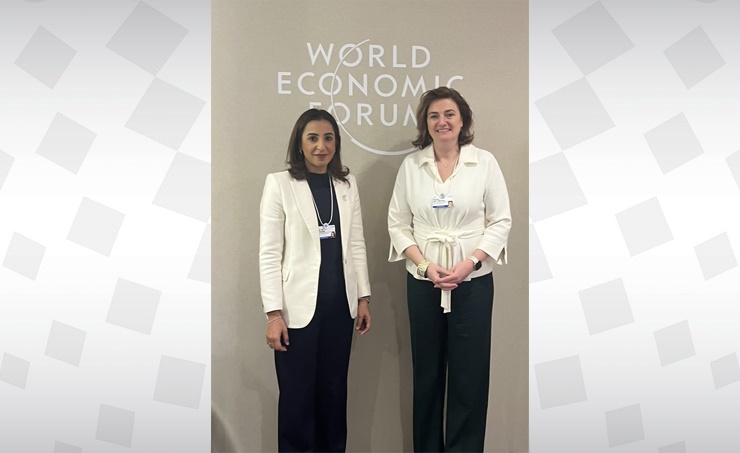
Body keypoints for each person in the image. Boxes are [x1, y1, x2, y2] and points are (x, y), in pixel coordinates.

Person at [387, 87, 511, 452]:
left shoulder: (484, 162)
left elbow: (501, 221)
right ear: (425, 124)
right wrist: (425, 266)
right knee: (426, 374)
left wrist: (470, 263)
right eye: (434, 116)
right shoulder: (412, 166)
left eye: (449, 114)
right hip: (423, 282)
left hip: (473, 282)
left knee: (469, 376)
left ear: (463, 120)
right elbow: (397, 224)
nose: (442, 122)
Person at [259, 108, 372, 452]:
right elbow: (269, 253)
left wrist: (363, 297)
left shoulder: (346, 185)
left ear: (336, 144)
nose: (321, 146)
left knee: (334, 395)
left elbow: (356, 243)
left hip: (340, 308)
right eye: (313, 138)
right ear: (300, 143)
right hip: (296, 312)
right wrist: (273, 314)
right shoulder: (279, 184)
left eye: (328, 138)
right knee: (297, 399)